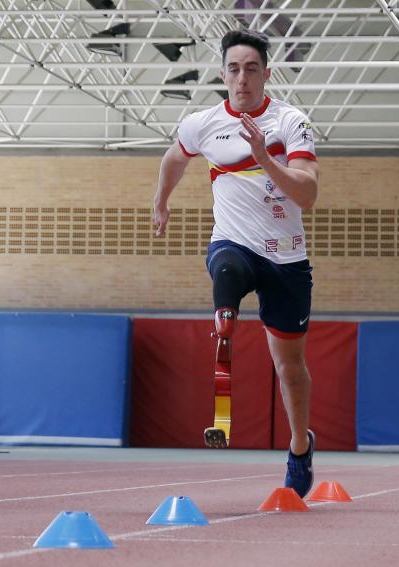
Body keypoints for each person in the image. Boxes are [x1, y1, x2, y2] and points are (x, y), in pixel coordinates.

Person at [152, 30, 320, 497]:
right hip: (234, 244)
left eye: (251, 68)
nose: (241, 78)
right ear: (223, 74)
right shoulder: (203, 123)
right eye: (233, 69)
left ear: (267, 73)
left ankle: (300, 447)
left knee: (289, 366)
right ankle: (224, 320)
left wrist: (264, 156)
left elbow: (306, 195)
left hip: (286, 260)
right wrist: (161, 201)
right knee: (225, 268)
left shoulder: (291, 122)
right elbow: (173, 158)